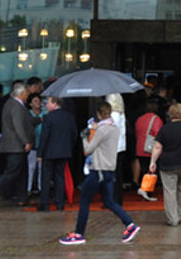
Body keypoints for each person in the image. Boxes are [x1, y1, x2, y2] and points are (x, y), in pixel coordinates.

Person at [59, 102, 139, 246]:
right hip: (109, 170)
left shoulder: (102, 130)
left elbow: (88, 149)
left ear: (99, 114)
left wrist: (85, 135)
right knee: (109, 201)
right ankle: (130, 224)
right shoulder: (114, 128)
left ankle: (79, 234)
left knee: (84, 202)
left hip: (98, 170)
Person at [0, 81, 32, 208]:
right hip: (15, 145)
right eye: (26, 93)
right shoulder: (16, 105)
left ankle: (22, 197)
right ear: (21, 93)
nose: (28, 95)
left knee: (21, 171)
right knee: (13, 170)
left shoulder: (12, 103)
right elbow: (18, 126)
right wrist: (25, 141)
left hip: (13, 144)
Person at [150, 103, 181, 226]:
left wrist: (153, 161)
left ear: (170, 114)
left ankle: (173, 218)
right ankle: (180, 214)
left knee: (170, 190)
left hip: (169, 163)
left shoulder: (165, 128)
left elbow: (157, 147)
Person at [35, 96, 76, 212]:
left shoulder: (48, 117)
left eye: (47, 103)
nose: (46, 105)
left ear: (54, 103)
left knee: (46, 178)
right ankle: (59, 203)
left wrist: (40, 153)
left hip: (49, 152)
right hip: (64, 151)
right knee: (60, 177)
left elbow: (44, 137)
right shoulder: (69, 117)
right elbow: (74, 135)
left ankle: (45, 203)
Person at [132, 99, 163, 201]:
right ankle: (147, 192)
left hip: (140, 148)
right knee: (152, 170)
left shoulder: (139, 119)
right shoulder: (157, 119)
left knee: (144, 170)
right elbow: (158, 133)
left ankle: (144, 189)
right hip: (151, 148)